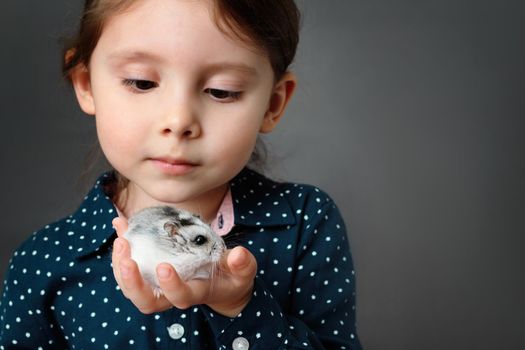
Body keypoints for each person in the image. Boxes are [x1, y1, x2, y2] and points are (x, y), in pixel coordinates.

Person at [0, 0, 362, 349]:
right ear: (85, 84)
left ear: (273, 103)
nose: (178, 121)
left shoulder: (303, 223)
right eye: (142, 82)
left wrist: (241, 305)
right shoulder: (43, 264)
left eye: (222, 91)